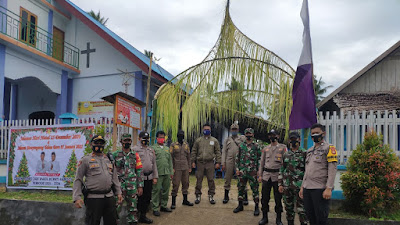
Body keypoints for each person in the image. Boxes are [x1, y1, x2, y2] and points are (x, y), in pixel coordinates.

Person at [73, 135, 123, 225]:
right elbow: (78, 179)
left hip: (109, 197)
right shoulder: (85, 160)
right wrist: (77, 197)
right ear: (91, 145)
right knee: (92, 222)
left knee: (112, 222)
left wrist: (119, 192)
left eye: (101, 143)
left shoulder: (109, 159)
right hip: (93, 198)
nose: (99, 145)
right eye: (96, 143)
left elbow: (115, 178)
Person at [299, 123, 338, 225]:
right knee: (310, 217)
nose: (314, 135)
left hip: (320, 189)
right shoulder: (309, 151)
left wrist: (329, 188)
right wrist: (302, 187)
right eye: (312, 133)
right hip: (308, 188)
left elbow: (332, 168)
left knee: (321, 218)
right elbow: (307, 170)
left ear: (323, 133)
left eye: (317, 133)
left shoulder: (329, 148)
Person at [113, 133, 144, 225]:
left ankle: (133, 222)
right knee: (116, 207)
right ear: (121, 142)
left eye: (129, 141)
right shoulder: (115, 155)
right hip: (119, 186)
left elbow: (139, 171)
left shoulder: (135, 155)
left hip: (132, 185)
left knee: (133, 207)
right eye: (125, 140)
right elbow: (111, 171)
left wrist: (140, 186)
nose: (127, 142)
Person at [278, 132, 308, 225]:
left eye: (294, 139)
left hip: (299, 187)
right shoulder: (286, 154)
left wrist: (304, 186)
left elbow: (308, 171)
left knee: (302, 210)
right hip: (287, 186)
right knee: (288, 208)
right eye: (291, 139)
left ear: (299, 139)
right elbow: (282, 169)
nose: (293, 141)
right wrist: (280, 184)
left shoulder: (304, 153)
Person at [258, 129, 287, 225]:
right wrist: (260, 175)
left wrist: (283, 178)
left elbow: (285, 164)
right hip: (266, 176)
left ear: (278, 136)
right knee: (264, 198)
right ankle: (264, 217)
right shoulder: (266, 148)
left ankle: (278, 219)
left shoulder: (283, 148)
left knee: (278, 198)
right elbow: (262, 162)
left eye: (273, 135)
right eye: (270, 135)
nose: (272, 137)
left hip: (277, 176)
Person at [191, 123, 221, 204]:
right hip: (200, 162)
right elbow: (194, 151)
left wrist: (218, 162)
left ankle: (211, 195)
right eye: (205, 129)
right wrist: (192, 161)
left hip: (210, 162)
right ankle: (198, 195)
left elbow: (218, 152)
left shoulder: (214, 141)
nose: (206, 130)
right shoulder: (198, 140)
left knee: (211, 179)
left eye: (208, 129)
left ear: (210, 130)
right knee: (199, 179)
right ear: (202, 130)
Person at [233, 128, 261, 216]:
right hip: (242, 171)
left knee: (255, 189)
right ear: (245, 135)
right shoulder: (241, 145)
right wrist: (237, 169)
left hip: (253, 172)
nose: (249, 135)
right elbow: (237, 158)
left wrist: (259, 171)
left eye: (250, 133)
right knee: (241, 188)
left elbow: (260, 159)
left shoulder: (256, 146)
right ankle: (240, 205)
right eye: (247, 133)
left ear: (253, 135)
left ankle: (256, 207)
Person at [134, 131, 158, 224]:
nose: (145, 140)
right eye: (143, 138)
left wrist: (155, 176)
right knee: (140, 197)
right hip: (140, 177)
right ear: (139, 139)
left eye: (147, 139)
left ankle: (143, 216)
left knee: (147, 197)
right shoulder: (135, 149)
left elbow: (154, 164)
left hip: (149, 177)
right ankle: (137, 215)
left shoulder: (150, 150)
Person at [221, 123, 246, 204]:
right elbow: (224, 151)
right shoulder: (227, 140)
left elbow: (246, 147)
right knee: (227, 178)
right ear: (230, 130)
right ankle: (226, 196)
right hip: (229, 160)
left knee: (241, 178)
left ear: (238, 130)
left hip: (239, 161)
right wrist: (223, 163)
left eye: (235, 129)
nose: (234, 131)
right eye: (233, 129)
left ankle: (244, 196)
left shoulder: (242, 138)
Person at [151, 131, 173, 216]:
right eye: (160, 137)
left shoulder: (167, 148)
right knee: (156, 191)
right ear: (156, 138)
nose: (162, 139)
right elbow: (152, 162)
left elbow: (170, 161)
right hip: (158, 173)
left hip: (166, 172)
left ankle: (163, 206)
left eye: (163, 137)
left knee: (166, 190)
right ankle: (155, 208)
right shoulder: (153, 148)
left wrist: (171, 171)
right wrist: (153, 175)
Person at [170, 130, 194, 209]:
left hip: (185, 167)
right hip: (176, 168)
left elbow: (188, 157)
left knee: (186, 183)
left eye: (182, 135)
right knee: (176, 184)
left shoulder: (186, 145)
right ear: (177, 136)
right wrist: (172, 167)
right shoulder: (173, 145)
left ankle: (185, 200)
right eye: (180, 135)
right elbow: (171, 157)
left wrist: (189, 167)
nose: (181, 136)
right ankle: (173, 202)